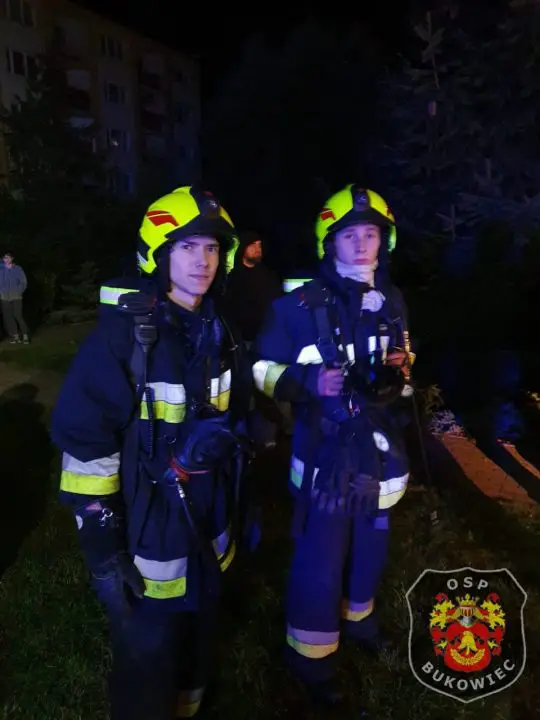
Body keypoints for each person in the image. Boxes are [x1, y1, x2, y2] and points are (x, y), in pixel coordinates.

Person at [51, 186, 254, 720]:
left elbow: (233, 417)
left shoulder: (221, 329)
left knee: (196, 649)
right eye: (186, 247)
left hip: (209, 527)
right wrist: (101, 539)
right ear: (158, 254)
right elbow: (86, 440)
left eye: (211, 248)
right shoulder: (124, 338)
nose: (202, 260)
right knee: (148, 660)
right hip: (150, 541)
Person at [253, 185, 414, 707]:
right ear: (330, 243)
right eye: (350, 235)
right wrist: (308, 382)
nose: (362, 244)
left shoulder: (391, 300)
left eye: (371, 234)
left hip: (379, 454)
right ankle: (311, 660)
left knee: (370, 544)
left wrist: (400, 372)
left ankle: (360, 622)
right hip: (325, 458)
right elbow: (261, 370)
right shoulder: (298, 306)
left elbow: (401, 371)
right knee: (321, 558)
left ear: (384, 241)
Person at [0, 253, 29, 344]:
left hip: (16, 297)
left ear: (12, 258)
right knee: (9, 318)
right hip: (5, 297)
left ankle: (25, 335)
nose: (6, 259)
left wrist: (19, 291)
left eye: (8, 257)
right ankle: (15, 336)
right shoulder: (1, 270)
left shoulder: (18, 269)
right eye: (5, 258)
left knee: (18, 316)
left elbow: (23, 282)